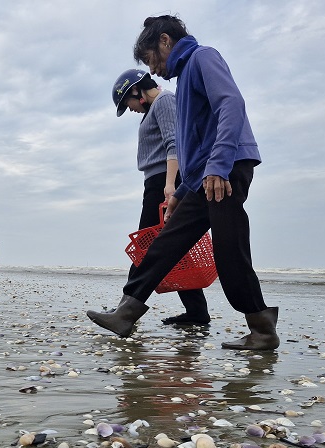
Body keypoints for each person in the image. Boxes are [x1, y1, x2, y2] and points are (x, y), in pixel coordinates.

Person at [87, 15, 279, 351]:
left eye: (151, 60)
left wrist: (219, 166)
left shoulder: (203, 57)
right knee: (167, 242)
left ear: (165, 41)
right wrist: (183, 191)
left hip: (227, 166)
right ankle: (126, 313)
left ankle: (262, 329)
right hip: (204, 175)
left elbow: (231, 104)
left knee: (229, 249)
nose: (155, 70)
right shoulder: (185, 78)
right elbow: (195, 143)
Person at [111, 68, 209, 325]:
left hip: (165, 181)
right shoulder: (153, 108)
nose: (130, 108)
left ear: (136, 90)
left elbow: (174, 143)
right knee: (173, 246)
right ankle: (197, 312)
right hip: (157, 181)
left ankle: (126, 308)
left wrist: (169, 186)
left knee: (146, 246)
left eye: (127, 103)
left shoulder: (164, 101)